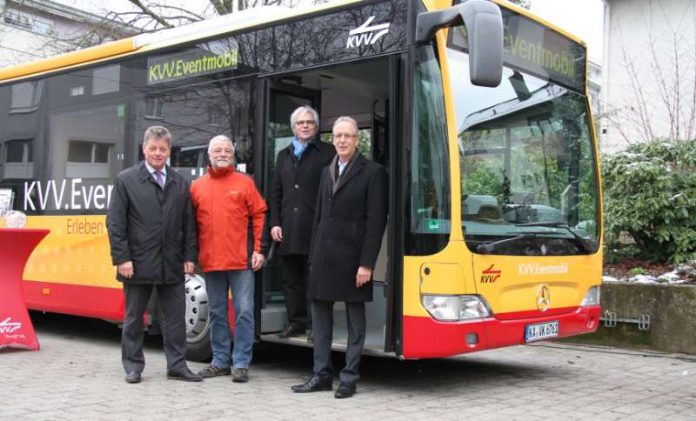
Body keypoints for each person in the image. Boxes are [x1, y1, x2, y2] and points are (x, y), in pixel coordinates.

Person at [291, 116, 388, 399]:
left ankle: (349, 378)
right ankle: (321, 374)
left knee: (355, 322)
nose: (343, 140)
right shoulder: (326, 171)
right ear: (332, 139)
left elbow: (375, 222)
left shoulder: (373, 172)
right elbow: (320, 217)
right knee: (320, 321)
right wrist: (313, 255)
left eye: (348, 136)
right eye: (338, 136)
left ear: (358, 140)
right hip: (323, 257)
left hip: (354, 259)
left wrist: (367, 264)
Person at [107, 126, 202, 384]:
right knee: (134, 318)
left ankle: (177, 366)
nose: (158, 153)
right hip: (136, 263)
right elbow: (115, 223)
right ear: (144, 149)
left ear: (169, 151)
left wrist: (189, 256)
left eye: (163, 149)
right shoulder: (126, 180)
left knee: (175, 319)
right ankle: (133, 367)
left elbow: (188, 224)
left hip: (171, 263)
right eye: (153, 148)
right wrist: (122, 258)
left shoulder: (180, 182)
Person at [190, 135, 267, 383]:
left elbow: (259, 215)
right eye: (218, 150)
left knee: (244, 311)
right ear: (209, 155)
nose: (222, 154)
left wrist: (259, 249)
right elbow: (190, 226)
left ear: (232, 156)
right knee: (217, 312)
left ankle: (241, 363)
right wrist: (190, 257)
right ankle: (220, 361)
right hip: (211, 261)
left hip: (241, 261)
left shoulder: (245, 183)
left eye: (227, 150)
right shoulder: (197, 186)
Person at [270, 105, 334, 339]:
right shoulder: (283, 155)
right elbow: (276, 192)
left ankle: (315, 325)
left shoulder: (327, 153)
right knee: (291, 280)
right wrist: (275, 222)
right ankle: (296, 322)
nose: (305, 126)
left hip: (315, 228)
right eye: (300, 123)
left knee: (314, 280)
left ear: (316, 127)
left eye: (309, 122)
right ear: (294, 127)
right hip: (288, 229)